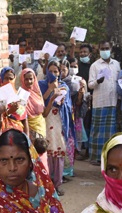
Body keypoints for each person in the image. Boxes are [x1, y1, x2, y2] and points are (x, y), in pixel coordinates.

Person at [40, 60, 74, 195]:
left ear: (60, 72)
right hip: (46, 120)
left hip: (59, 121)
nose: (53, 74)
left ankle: (58, 184)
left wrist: (62, 100)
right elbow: (40, 102)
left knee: (59, 152)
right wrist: (50, 90)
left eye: (56, 71)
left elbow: (67, 105)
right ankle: (47, 183)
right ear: (46, 72)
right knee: (47, 151)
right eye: (51, 71)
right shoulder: (41, 85)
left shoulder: (64, 86)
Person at [88, 41, 121, 165]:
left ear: (111, 49)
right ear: (99, 50)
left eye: (107, 48)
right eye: (102, 48)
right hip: (99, 102)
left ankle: (109, 157)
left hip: (112, 101)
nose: (105, 50)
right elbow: (90, 85)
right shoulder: (95, 66)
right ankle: (96, 156)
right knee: (97, 130)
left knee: (110, 131)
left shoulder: (116, 64)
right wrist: (97, 81)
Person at [64, 57, 88, 174]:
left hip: (73, 116)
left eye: (75, 66)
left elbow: (78, 102)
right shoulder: (56, 84)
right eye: (61, 70)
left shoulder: (77, 81)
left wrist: (80, 93)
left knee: (71, 143)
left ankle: (69, 170)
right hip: (60, 118)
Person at [21, 68, 46, 139]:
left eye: (31, 79)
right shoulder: (21, 95)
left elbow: (44, 111)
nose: (29, 81)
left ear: (34, 79)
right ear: (22, 79)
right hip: (29, 127)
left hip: (41, 125)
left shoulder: (37, 92)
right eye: (26, 79)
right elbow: (21, 114)